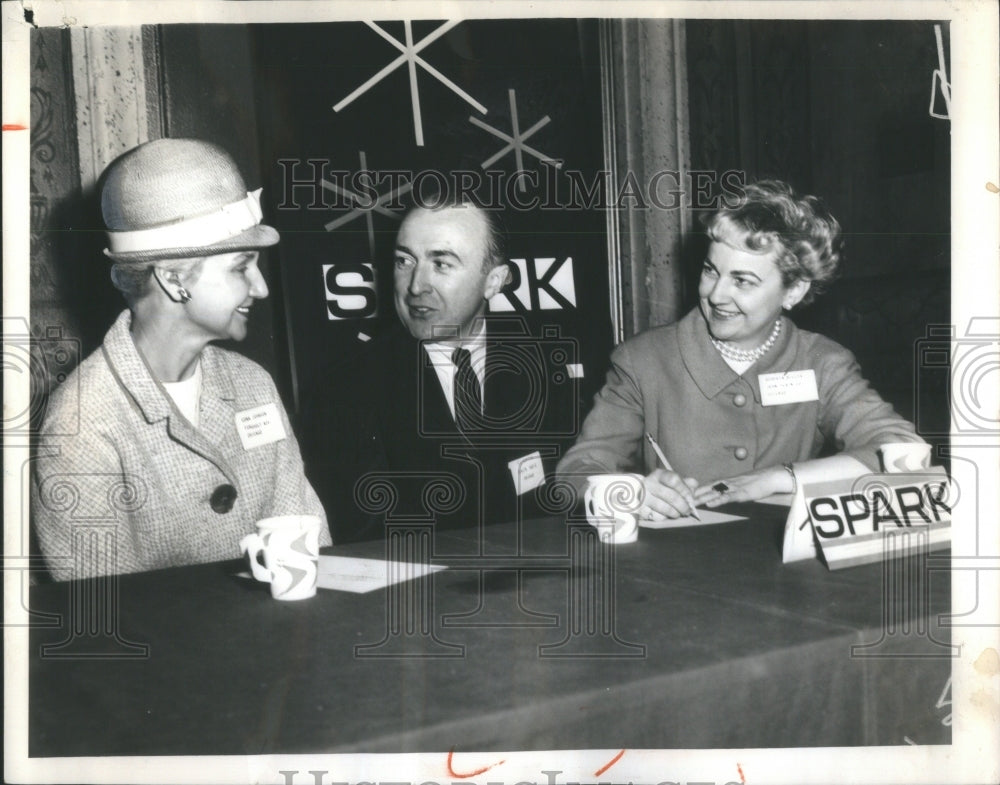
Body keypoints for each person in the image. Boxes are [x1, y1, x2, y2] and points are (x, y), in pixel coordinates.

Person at [33, 138, 329, 581]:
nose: (261, 287)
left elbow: (310, 551)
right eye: (240, 266)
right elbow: (104, 622)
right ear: (174, 279)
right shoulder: (81, 422)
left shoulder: (252, 385)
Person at [557, 179, 926, 520]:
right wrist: (628, 492)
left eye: (743, 281)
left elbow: (900, 449)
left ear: (793, 291)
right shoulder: (643, 361)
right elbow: (576, 473)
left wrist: (779, 478)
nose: (716, 295)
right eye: (710, 271)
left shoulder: (823, 364)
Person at [301, 198, 581, 543]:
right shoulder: (344, 388)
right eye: (404, 261)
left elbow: (564, 501)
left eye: (442, 264)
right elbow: (362, 538)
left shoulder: (545, 370)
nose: (416, 285)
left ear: (494, 281)